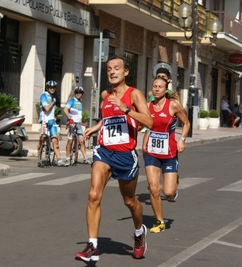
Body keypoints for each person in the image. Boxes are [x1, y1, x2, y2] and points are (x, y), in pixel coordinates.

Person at [74, 55, 153, 262]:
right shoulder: (105, 95)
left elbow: (150, 122)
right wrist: (96, 127)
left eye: (116, 68)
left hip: (126, 155)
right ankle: (92, 246)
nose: (112, 72)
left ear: (126, 72)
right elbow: (110, 119)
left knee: (129, 200)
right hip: (104, 151)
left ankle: (139, 233)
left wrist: (126, 108)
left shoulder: (134, 94)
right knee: (93, 195)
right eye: (109, 68)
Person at [143, 77, 190, 233]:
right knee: (154, 189)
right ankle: (159, 221)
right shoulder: (148, 106)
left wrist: (182, 140)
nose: (157, 89)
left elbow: (187, 123)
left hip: (169, 153)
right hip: (152, 153)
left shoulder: (173, 105)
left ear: (166, 90)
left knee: (168, 192)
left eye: (160, 87)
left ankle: (173, 181)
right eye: (154, 86)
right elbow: (146, 126)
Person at [37, 80, 66, 167]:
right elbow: (46, 109)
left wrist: (55, 117)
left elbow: (53, 110)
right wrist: (53, 102)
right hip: (44, 121)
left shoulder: (54, 97)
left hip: (52, 122)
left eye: (54, 87)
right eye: (50, 87)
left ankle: (59, 159)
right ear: (47, 88)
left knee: (55, 141)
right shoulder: (44, 96)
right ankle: (39, 156)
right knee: (42, 139)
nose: (52, 89)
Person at [63, 86, 91, 165]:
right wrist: (69, 118)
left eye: (80, 93)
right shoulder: (72, 101)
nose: (78, 94)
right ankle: (68, 158)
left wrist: (82, 121)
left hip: (78, 124)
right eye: (77, 93)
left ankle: (85, 158)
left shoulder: (80, 102)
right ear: (75, 93)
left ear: (82, 94)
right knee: (70, 141)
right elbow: (65, 109)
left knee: (82, 141)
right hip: (72, 123)